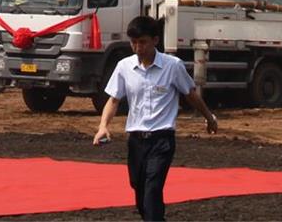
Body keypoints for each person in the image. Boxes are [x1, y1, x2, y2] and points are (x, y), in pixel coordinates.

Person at [92, 15, 217, 221]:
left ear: (155, 40)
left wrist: (209, 118)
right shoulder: (124, 67)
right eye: (133, 42)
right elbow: (114, 100)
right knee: (139, 188)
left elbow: (190, 94)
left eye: (143, 42)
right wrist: (103, 126)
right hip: (136, 140)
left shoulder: (172, 66)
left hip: (162, 140)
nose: (138, 47)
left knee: (152, 188)